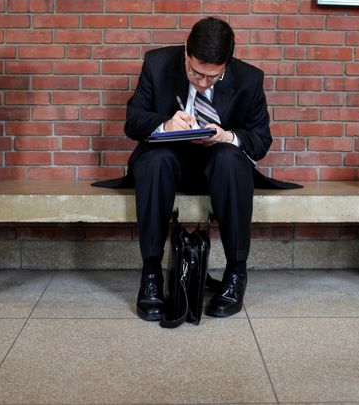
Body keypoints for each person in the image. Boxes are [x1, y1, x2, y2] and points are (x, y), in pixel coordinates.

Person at [97, 17, 297, 321]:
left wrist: (226, 136)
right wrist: (163, 125)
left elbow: (260, 141)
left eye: (212, 77)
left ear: (226, 65)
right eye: (195, 72)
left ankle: (235, 275)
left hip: (217, 168)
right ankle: (151, 275)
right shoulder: (157, 63)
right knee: (156, 158)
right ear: (186, 52)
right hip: (166, 164)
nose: (202, 82)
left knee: (230, 158)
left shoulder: (249, 78)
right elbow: (133, 121)